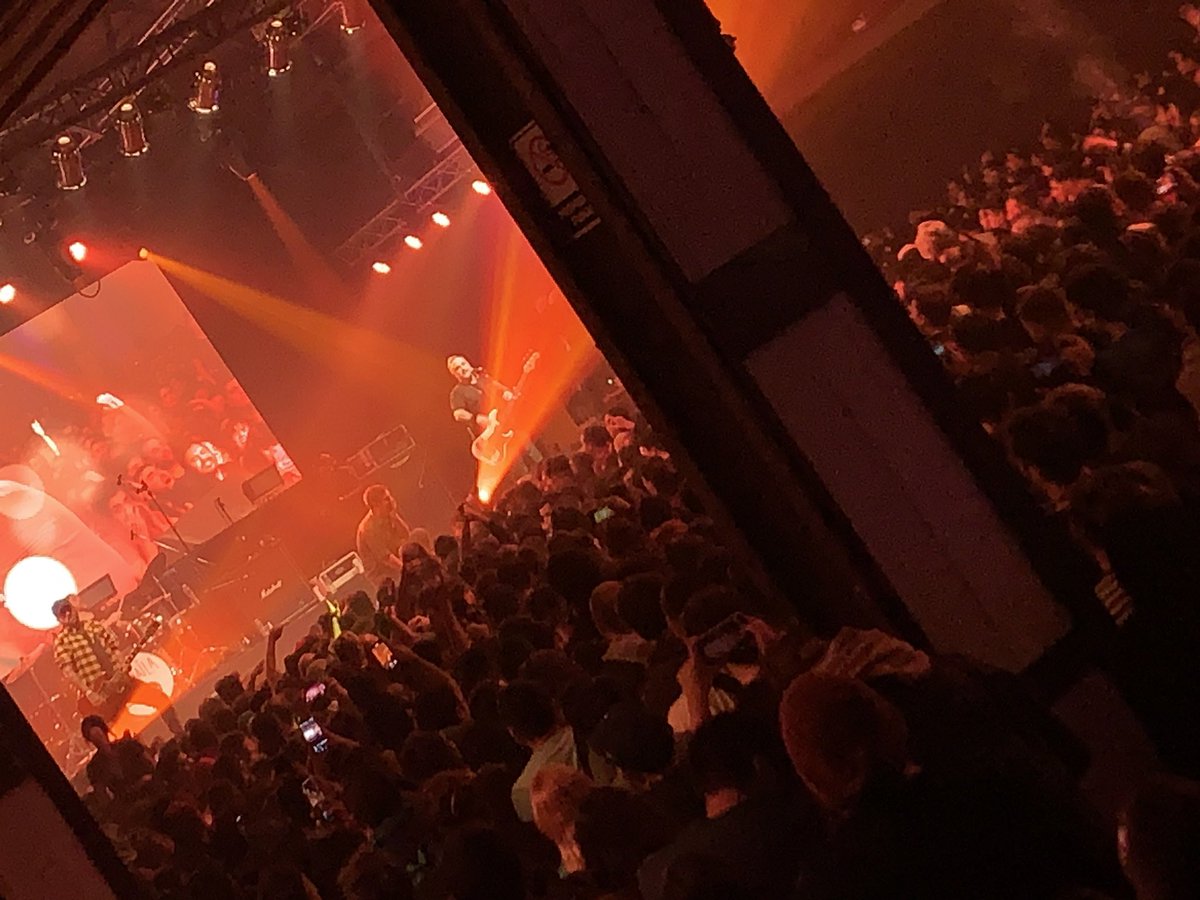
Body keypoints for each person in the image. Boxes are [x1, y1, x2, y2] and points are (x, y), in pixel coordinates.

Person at [51, 596, 181, 734]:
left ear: (73, 608)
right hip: (100, 692)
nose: (67, 615)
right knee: (125, 732)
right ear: (59, 620)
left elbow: (114, 648)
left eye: (68, 610)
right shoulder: (62, 641)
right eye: (62, 614)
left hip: (120, 681)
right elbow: (69, 672)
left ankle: (181, 736)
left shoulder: (93, 625)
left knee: (160, 699)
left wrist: (121, 664)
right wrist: (89, 693)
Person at [355, 484, 411, 588]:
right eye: (387, 499)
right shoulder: (368, 529)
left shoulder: (388, 514)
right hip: (383, 574)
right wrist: (409, 572)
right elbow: (386, 558)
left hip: (397, 560)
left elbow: (406, 535)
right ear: (376, 505)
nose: (391, 501)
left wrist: (395, 517)